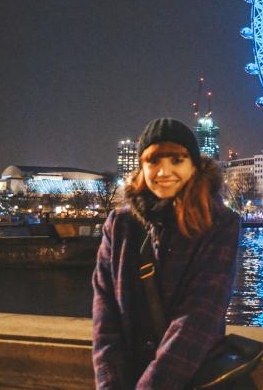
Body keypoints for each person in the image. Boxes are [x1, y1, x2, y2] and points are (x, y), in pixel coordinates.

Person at [93, 118, 241, 389]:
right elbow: (105, 317)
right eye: (154, 162)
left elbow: (200, 317)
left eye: (176, 160)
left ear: (194, 166)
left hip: (189, 378)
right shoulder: (119, 225)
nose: (164, 171)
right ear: (142, 167)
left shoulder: (220, 224)